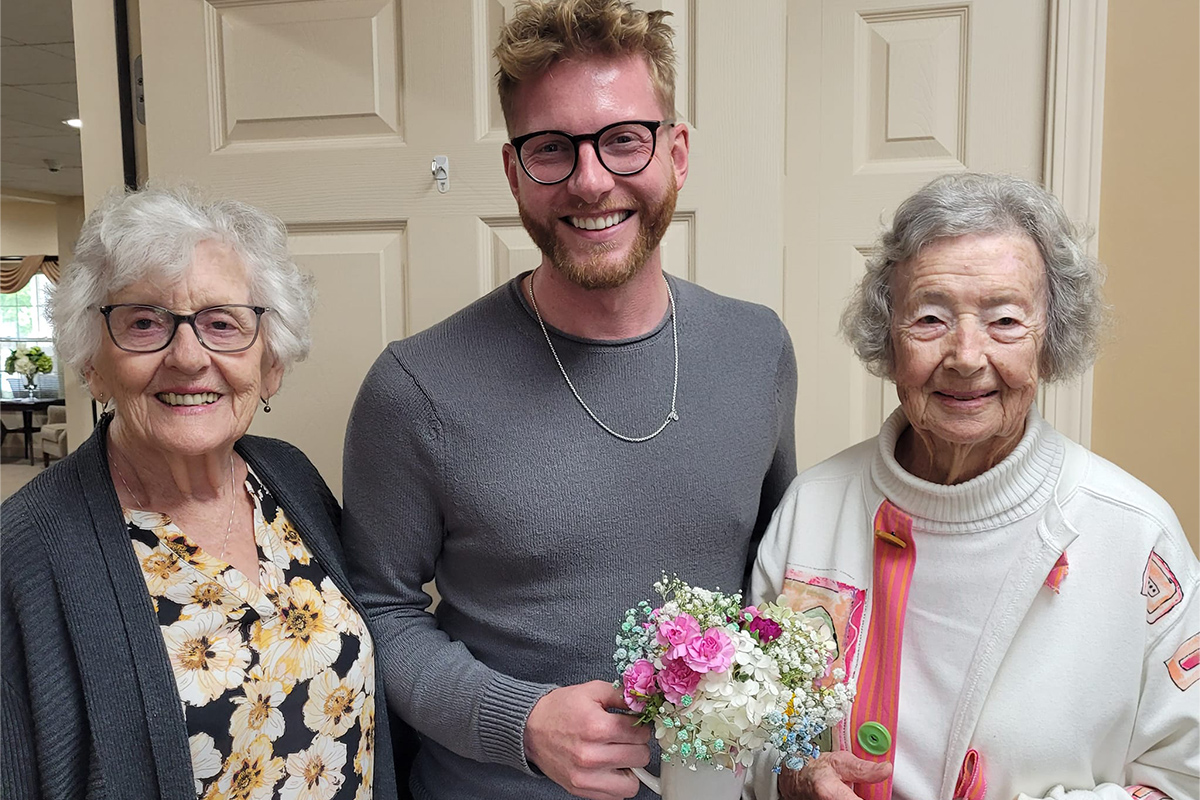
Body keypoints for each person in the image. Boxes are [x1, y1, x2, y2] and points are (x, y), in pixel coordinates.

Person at [341, 1, 798, 798]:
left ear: (677, 152)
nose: (592, 182)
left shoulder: (757, 351)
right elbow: (378, 609)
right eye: (552, 149)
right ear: (516, 172)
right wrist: (518, 720)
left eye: (625, 139)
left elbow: (777, 577)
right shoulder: (415, 388)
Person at [750, 173, 1199, 800]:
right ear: (888, 335)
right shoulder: (812, 510)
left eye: (1006, 320)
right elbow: (743, 738)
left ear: (1051, 341)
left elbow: (1184, 775)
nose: (965, 355)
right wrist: (791, 779)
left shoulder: (1135, 535)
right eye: (930, 318)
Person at [1, 186, 402, 799]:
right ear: (92, 363)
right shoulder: (26, 550)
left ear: (271, 364)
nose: (188, 356)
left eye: (223, 324)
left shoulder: (288, 478)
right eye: (143, 323)